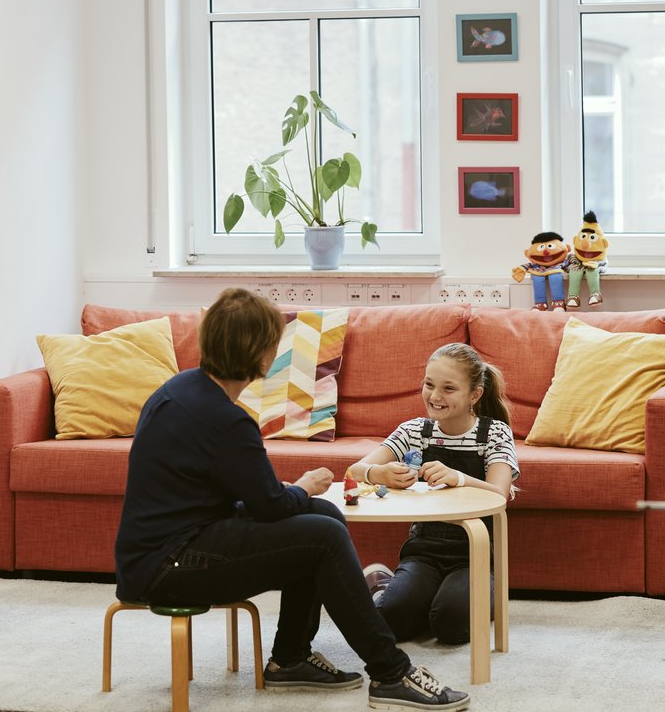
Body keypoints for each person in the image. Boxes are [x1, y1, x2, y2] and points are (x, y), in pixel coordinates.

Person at [114, 288, 469, 711]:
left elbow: (253, 496)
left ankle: (290, 658)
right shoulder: (226, 420)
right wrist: (301, 486)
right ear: (261, 353)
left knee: (321, 516)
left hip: (168, 548)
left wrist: (302, 495)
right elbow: (271, 506)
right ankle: (391, 672)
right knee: (319, 532)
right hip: (170, 564)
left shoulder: (183, 389)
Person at [344, 343, 517, 645]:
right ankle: (385, 583)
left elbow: (499, 495)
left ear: (474, 395)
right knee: (388, 624)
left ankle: (453, 597)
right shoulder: (414, 431)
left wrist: (460, 478)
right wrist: (378, 473)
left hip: (473, 556)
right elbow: (354, 471)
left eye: (449, 388)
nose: (435, 396)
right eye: (429, 384)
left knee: (450, 625)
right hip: (423, 553)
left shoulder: (494, 433)